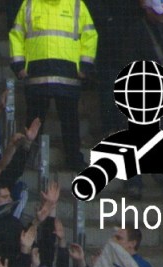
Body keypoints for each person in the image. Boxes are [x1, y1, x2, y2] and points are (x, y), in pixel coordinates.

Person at [9, 0, 98, 169]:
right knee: (35, 121)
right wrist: (18, 65)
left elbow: (90, 36)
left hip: (63, 74)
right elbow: (16, 35)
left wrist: (85, 65)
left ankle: (73, 158)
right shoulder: (30, 4)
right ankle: (26, 158)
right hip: (41, 74)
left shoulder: (76, 4)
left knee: (69, 121)